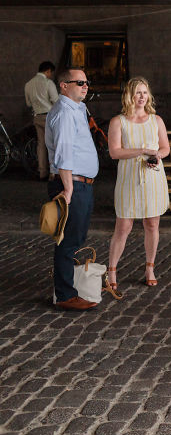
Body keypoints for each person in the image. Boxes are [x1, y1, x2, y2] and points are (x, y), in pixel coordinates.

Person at [106, 77, 170, 290]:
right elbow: (115, 152)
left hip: (153, 177)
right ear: (129, 96)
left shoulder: (156, 120)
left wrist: (157, 156)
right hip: (129, 178)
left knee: (152, 224)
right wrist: (142, 151)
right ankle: (112, 271)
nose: (142, 97)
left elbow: (165, 148)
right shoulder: (118, 121)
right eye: (138, 93)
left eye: (145, 92)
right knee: (123, 226)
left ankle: (150, 268)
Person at [45, 68, 99, 310]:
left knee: (75, 238)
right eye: (79, 82)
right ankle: (65, 295)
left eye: (87, 82)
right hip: (72, 184)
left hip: (80, 183)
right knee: (68, 241)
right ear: (64, 85)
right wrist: (67, 190)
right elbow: (63, 154)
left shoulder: (76, 109)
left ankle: (66, 288)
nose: (85, 86)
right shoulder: (65, 113)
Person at [24, 61, 59, 180]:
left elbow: (28, 103)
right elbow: (55, 100)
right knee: (53, 145)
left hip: (37, 117)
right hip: (49, 116)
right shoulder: (48, 83)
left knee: (41, 145)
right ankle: (53, 173)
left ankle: (42, 172)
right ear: (48, 70)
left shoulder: (28, 84)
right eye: (51, 73)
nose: (51, 75)